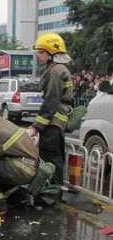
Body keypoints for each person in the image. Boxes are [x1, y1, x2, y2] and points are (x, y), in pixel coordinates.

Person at [27, 33, 73, 198]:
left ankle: (51, 195)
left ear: (51, 52)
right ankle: (55, 192)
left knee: (50, 161)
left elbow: (50, 101)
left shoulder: (55, 71)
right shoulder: (59, 69)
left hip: (52, 124)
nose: (38, 56)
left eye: (40, 52)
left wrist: (36, 127)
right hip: (56, 123)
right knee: (56, 160)